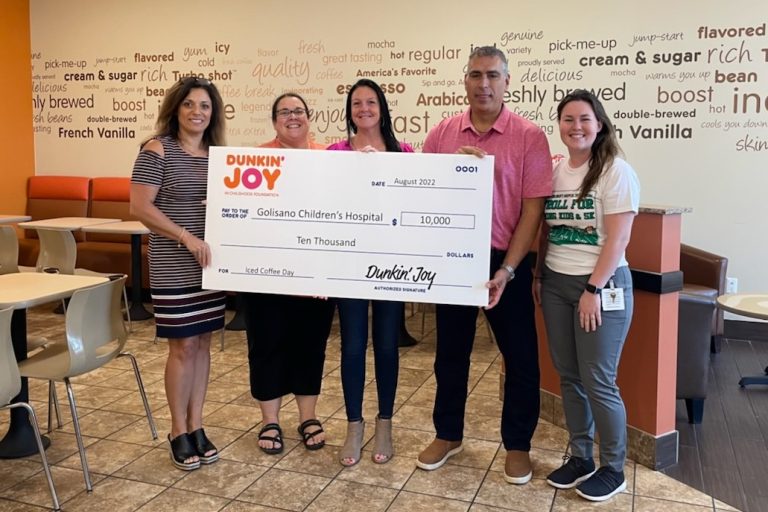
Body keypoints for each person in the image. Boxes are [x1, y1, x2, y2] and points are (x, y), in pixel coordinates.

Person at [416, 46, 552, 485]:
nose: (484, 83)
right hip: (454, 257)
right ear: (466, 81)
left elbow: (532, 210)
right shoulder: (441, 134)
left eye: (493, 75)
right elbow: (422, 194)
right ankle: (448, 434)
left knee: (521, 358)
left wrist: (508, 270)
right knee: (450, 354)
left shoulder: (530, 136)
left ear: (507, 81)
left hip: (505, 261)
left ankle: (517, 446)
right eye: (475, 75)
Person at [535, 90, 639, 502]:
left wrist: (593, 289)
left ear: (599, 125)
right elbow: (545, 229)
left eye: (584, 119)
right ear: (558, 125)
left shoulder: (615, 171)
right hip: (557, 284)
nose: (576, 127)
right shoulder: (556, 170)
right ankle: (581, 457)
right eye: (567, 119)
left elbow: (619, 239)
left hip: (601, 286)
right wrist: (539, 274)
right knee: (569, 375)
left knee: (599, 380)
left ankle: (614, 468)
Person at [130, 76, 226, 471]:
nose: (197, 112)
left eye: (204, 106)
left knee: (202, 344)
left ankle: (197, 425)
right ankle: (178, 429)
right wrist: (186, 236)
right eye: (189, 104)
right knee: (182, 347)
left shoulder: (217, 155)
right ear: (176, 108)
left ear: (213, 113)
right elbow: (140, 207)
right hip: (173, 264)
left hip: (210, 265)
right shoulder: (157, 150)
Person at [242, 93, 336, 455]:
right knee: (266, 346)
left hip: (315, 277)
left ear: (310, 117)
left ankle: (308, 417)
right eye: (284, 112)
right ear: (274, 121)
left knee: (310, 347)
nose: (292, 117)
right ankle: (270, 421)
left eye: (298, 111)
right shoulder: (255, 157)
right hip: (265, 277)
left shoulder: (331, 157)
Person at [327, 78, 413, 466]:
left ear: (382, 108)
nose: (364, 109)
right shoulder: (335, 153)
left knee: (387, 346)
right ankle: (353, 426)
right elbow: (322, 204)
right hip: (348, 265)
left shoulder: (404, 152)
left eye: (371, 102)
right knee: (351, 346)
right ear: (349, 111)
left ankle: (385, 425)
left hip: (391, 264)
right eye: (356, 103)